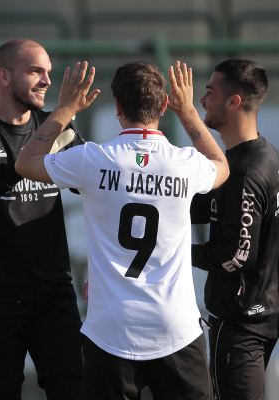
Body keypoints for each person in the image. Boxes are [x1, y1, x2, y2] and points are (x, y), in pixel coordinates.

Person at [16, 60, 231, 400]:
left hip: (110, 329)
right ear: (164, 104)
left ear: (117, 105)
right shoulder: (186, 163)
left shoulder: (91, 159)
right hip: (175, 327)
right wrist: (188, 111)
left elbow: (25, 162)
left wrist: (66, 108)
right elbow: (221, 166)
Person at [0, 38, 86, 400]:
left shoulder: (58, 128)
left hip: (54, 287)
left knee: (72, 388)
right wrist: (32, 155)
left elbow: (89, 183)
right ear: (4, 76)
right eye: (35, 71)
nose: (47, 81)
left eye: (48, 72)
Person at [189, 59, 279, 400]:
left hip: (241, 326)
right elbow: (203, 209)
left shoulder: (245, 171)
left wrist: (177, 252)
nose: (202, 100)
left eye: (209, 92)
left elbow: (236, 255)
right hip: (261, 316)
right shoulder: (261, 153)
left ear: (233, 101)